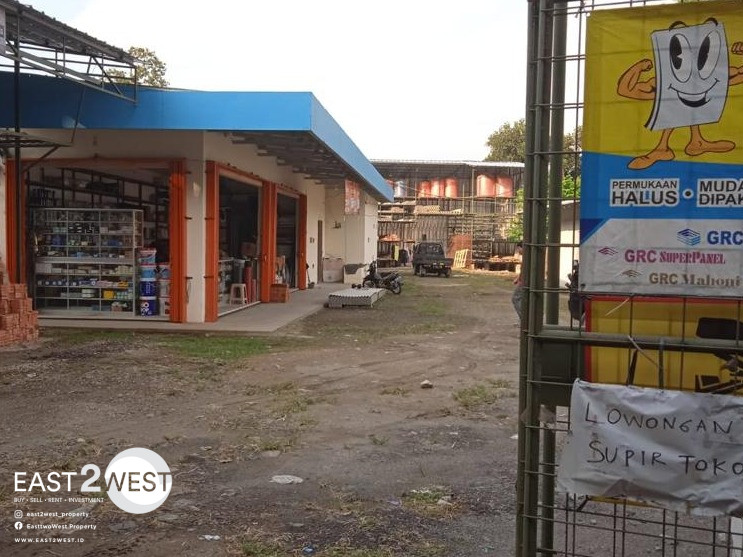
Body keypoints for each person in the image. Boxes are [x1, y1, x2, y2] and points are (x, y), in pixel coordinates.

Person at [512, 242, 524, 322]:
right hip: (522, 281)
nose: (518, 251)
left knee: (515, 299)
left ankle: (523, 319)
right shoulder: (527, 257)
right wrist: (517, 278)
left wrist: (520, 280)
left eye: (518, 248)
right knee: (522, 299)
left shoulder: (527, 258)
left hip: (523, 283)